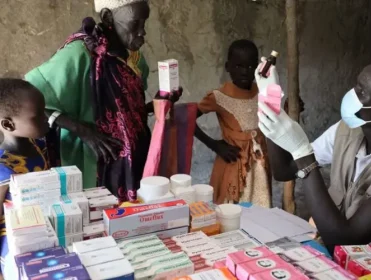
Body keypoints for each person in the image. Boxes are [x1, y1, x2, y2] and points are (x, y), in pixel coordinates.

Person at [258, 55, 371, 265]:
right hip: (333, 256)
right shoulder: (347, 130)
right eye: (356, 85)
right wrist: (269, 102)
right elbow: (285, 170)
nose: (351, 94)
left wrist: (302, 153)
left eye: (361, 92)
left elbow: (346, 240)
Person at [25, 0, 181, 202]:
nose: (142, 32)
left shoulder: (134, 58)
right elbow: (26, 101)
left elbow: (126, 113)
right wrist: (84, 131)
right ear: (108, 16)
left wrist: (160, 103)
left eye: (145, 23)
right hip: (96, 161)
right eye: (135, 24)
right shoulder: (80, 54)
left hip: (134, 159)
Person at [195, 39, 272, 207]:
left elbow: (274, 116)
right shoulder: (219, 96)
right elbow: (187, 119)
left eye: (251, 66)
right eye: (239, 66)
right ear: (227, 67)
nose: (245, 72)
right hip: (234, 162)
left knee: (259, 207)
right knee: (232, 209)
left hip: (259, 164)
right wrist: (215, 145)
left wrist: (290, 107)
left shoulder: (261, 91)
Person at [0, 78, 50, 275]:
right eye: (38, 116)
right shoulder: (4, 168)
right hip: (15, 247)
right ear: (8, 124)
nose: (46, 118)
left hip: (42, 232)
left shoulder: (39, 145)